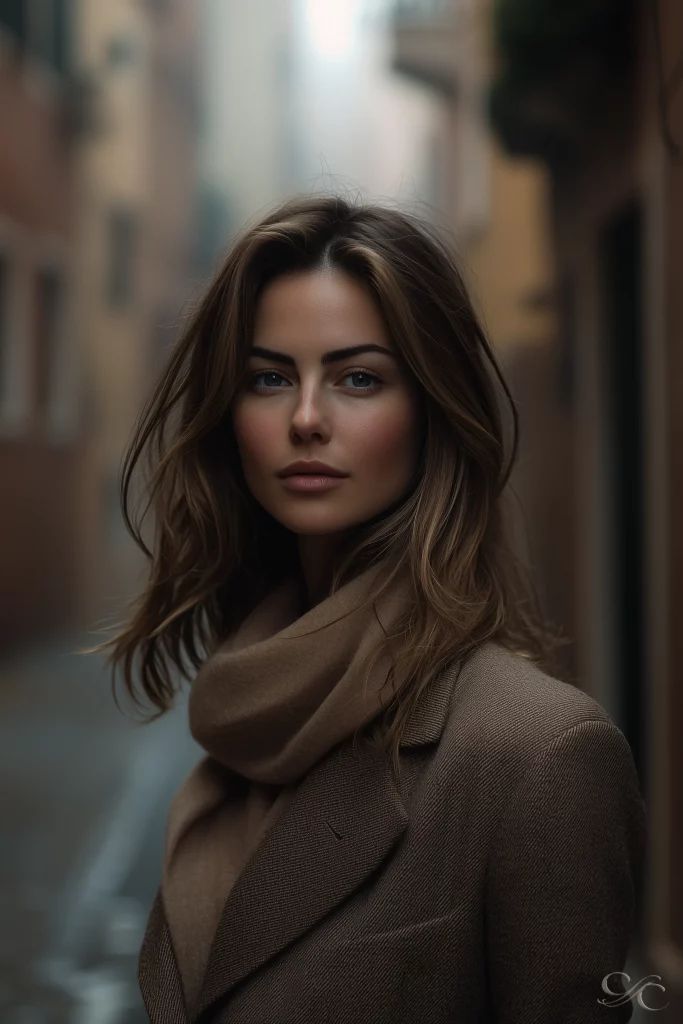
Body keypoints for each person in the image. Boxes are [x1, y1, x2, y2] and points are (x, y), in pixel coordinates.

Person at [90, 195, 647, 1023]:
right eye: (269, 378)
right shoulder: (247, 729)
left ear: (432, 412)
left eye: (358, 378)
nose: (306, 419)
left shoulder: (538, 755)